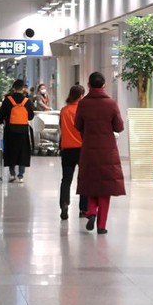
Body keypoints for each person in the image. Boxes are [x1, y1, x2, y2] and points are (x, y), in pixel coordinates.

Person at [75, 71, 125, 234]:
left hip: (89, 149)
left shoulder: (83, 104)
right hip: (107, 151)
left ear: (89, 85)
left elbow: (78, 125)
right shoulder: (111, 103)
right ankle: (102, 226)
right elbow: (119, 126)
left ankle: (91, 211)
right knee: (105, 188)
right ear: (104, 85)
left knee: (91, 183)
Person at [0, 79, 35, 182]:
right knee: (23, 151)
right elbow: (30, 116)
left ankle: (12, 174)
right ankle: (21, 175)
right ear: (23, 89)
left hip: (10, 130)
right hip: (23, 131)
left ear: (14, 88)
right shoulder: (27, 101)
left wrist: (1, 120)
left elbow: (0, 116)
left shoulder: (8, 100)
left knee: (11, 150)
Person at [59, 84, 88, 220]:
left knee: (66, 179)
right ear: (81, 96)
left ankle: (64, 204)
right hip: (82, 149)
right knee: (83, 180)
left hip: (67, 149)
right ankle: (83, 209)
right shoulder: (83, 110)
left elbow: (61, 127)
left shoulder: (64, 111)